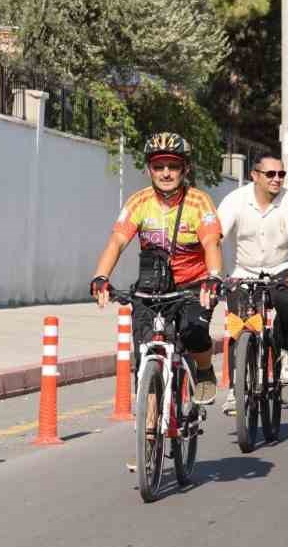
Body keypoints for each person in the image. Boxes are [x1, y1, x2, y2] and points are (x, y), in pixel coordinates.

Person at [90, 132, 223, 404]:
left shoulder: (199, 201)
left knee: (193, 333)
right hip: (153, 286)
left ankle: (205, 370)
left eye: (173, 166)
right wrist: (101, 277)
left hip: (193, 285)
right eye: (159, 166)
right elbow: (117, 241)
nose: (166, 173)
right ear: (149, 169)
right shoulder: (139, 202)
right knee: (144, 351)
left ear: (184, 169)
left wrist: (213, 278)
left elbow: (211, 243)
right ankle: (151, 426)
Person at [216, 154, 288, 416]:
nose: (277, 179)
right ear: (254, 175)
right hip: (243, 271)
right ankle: (236, 390)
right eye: (270, 174)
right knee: (237, 327)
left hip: (281, 269)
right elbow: (217, 236)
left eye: (281, 174)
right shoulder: (236, 200)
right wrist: (213, 273)